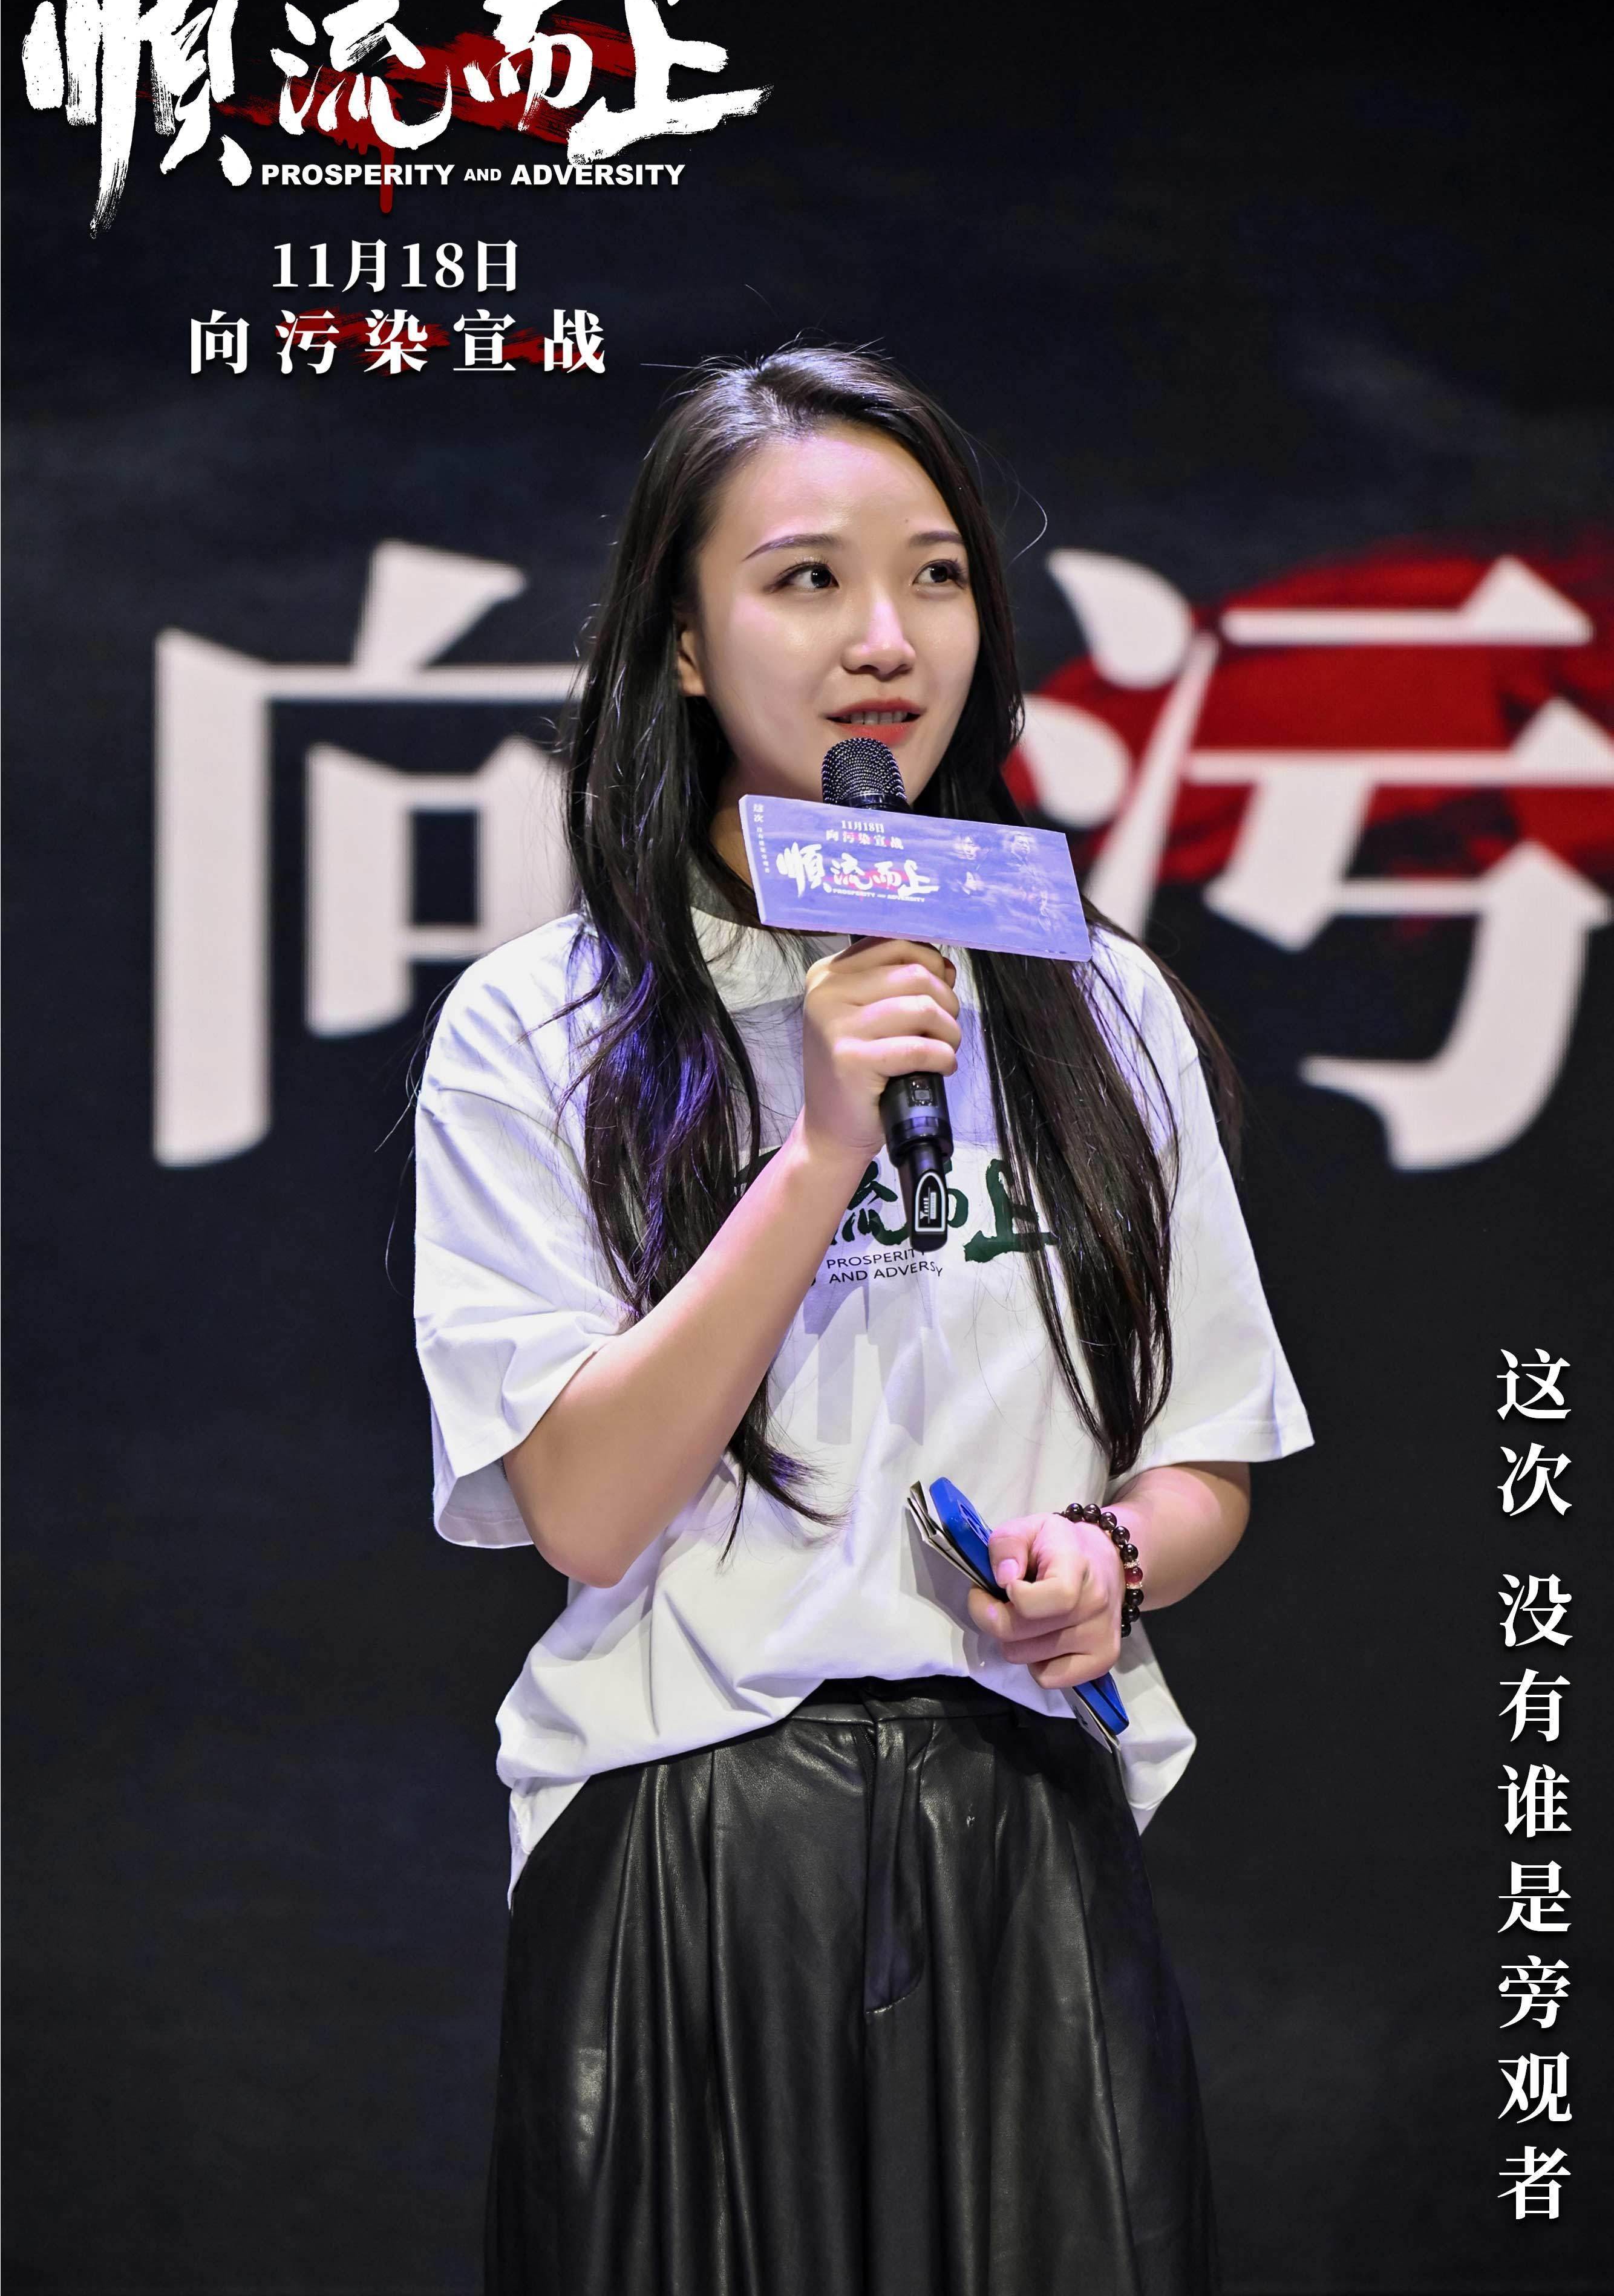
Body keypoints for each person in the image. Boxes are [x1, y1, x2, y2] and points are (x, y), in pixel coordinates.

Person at [413, 345, 1312, 2296]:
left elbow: (1206, 1457)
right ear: (679, 641)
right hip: (686, 1832)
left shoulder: (1094, 1005)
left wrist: (1107, 1562)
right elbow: (584, 1509)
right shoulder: (540, 1026)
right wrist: (818, 1149)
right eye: (806, 579)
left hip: (1024, 1832)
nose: (885, 638)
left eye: (936, 576)